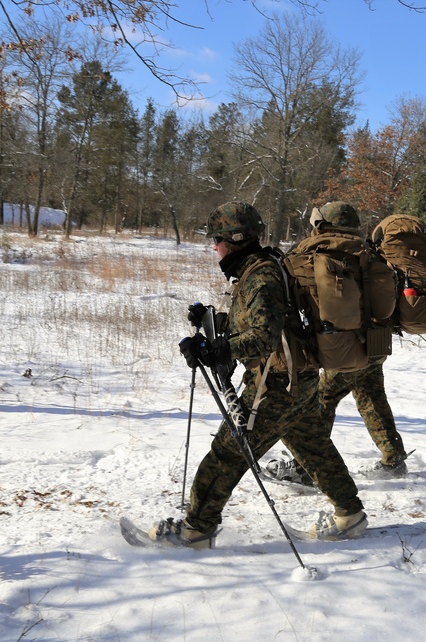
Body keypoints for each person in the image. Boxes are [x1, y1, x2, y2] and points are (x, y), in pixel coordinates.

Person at [153, 201, 367, 547]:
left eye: (218, 240)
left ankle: (196, 530)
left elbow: (263, 337)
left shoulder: (261, 276)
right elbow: (265, 324)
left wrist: (217, 350)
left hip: (276, 386)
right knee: (312, 447)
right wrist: (212, 321)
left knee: (227, 454)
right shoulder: (261, 268)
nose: (214, 247)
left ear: (234, 240)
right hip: (299, 380)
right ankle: (349, 514)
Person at [263, 201, 409, 484]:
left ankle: (307, 468)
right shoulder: (372, 253)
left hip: (342, 348)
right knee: (371, 395)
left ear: (320, 224)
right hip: (377, 344)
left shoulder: (310, 252)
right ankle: (393, 458)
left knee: (321, 398)